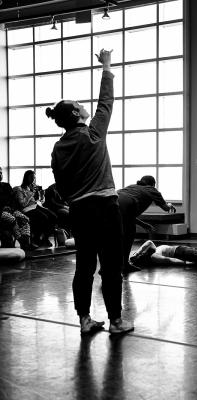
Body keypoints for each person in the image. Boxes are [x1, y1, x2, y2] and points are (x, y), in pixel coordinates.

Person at [48, 48, 133, 335]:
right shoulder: (94, 132)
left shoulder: (58, 148)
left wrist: (76, 196)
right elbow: (106, 102)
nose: (84, 106)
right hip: (106, 207)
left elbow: (60, 185)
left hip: (79, 211)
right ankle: (116, 321)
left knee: (83, 265)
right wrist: (107, 65)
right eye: (79, 105)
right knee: (110, 266)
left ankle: (85, 320)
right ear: (75, 113)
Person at [117, 175, 176, 273]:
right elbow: (166, 208)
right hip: (125, 207)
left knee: (111, 237)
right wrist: (169, 205)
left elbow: (128, 215)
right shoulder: (152, 189)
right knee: (129, 234)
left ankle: (106, 267)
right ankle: (125, 265)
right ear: (153, 184)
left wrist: (143, 224)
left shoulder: (131, 187)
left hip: (110, 203)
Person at [13, 170, 57, 247]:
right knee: (44, 217)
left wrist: (42, 196)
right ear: (26, 178)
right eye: (31, 177)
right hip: (27, 209)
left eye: (34, 178)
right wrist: (31, 193)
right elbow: (23, 204)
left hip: (36, 206)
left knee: (54, 216)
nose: (33, 179)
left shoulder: (31, 188)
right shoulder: (19, 189)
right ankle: (37, 238)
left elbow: (39, 201)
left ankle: (45, 238)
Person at [129, 240, 197, 268]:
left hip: (181, 249)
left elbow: (149, 242)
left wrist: (137, 252)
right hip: (181, 253)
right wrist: (186, 263)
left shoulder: (153, 249)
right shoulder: (153, 256)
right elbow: (170, 261)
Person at [0, 167, 35, 250]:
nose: (0, 174)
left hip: (10, 210)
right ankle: (21, 240)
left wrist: (10, 208)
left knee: (24, 218)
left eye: (1, 173)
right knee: (12, 219)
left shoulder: (6, 185)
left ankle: (26, 242)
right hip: (1, 212)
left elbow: (13, 200)